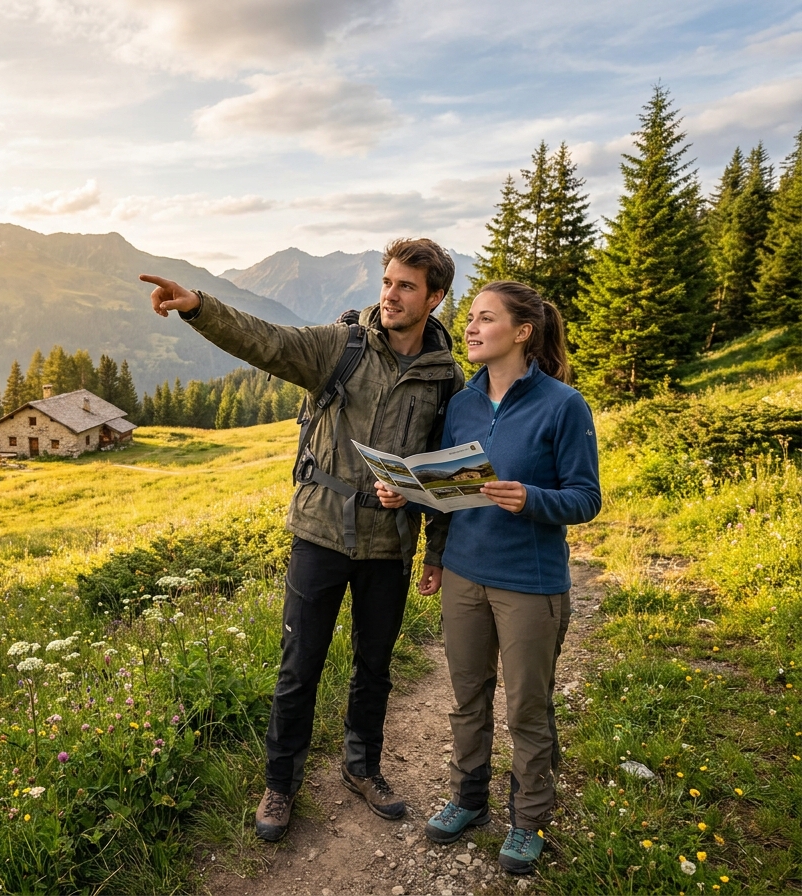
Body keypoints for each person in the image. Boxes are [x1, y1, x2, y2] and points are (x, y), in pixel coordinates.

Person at [141, 238, 465, 842]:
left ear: (435, 298)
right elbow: (267, 341)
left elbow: (445, 469)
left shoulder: (447, 379)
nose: (390, 296)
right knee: (299, 667)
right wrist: (198, 307)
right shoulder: (338, 347)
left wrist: (433, 544)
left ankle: (362, 768)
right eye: (388, 281)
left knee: (375, 667)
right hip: (319, 532)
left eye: (406, 287)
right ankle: (280, 785)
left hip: (390, 544)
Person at [375, 279, 601, 874]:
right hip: (464, 575)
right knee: (466, 698)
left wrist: (531, 498)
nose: (470, 328)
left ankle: (528, 820)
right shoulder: (463, 404)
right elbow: (451, 490)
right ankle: (469, 798)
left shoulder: (563, 405)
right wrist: (413, 507)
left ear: (522, 332)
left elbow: (585, 498)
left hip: (531, 581)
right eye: (470, 317)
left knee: (527, 708)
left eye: (485, 319)